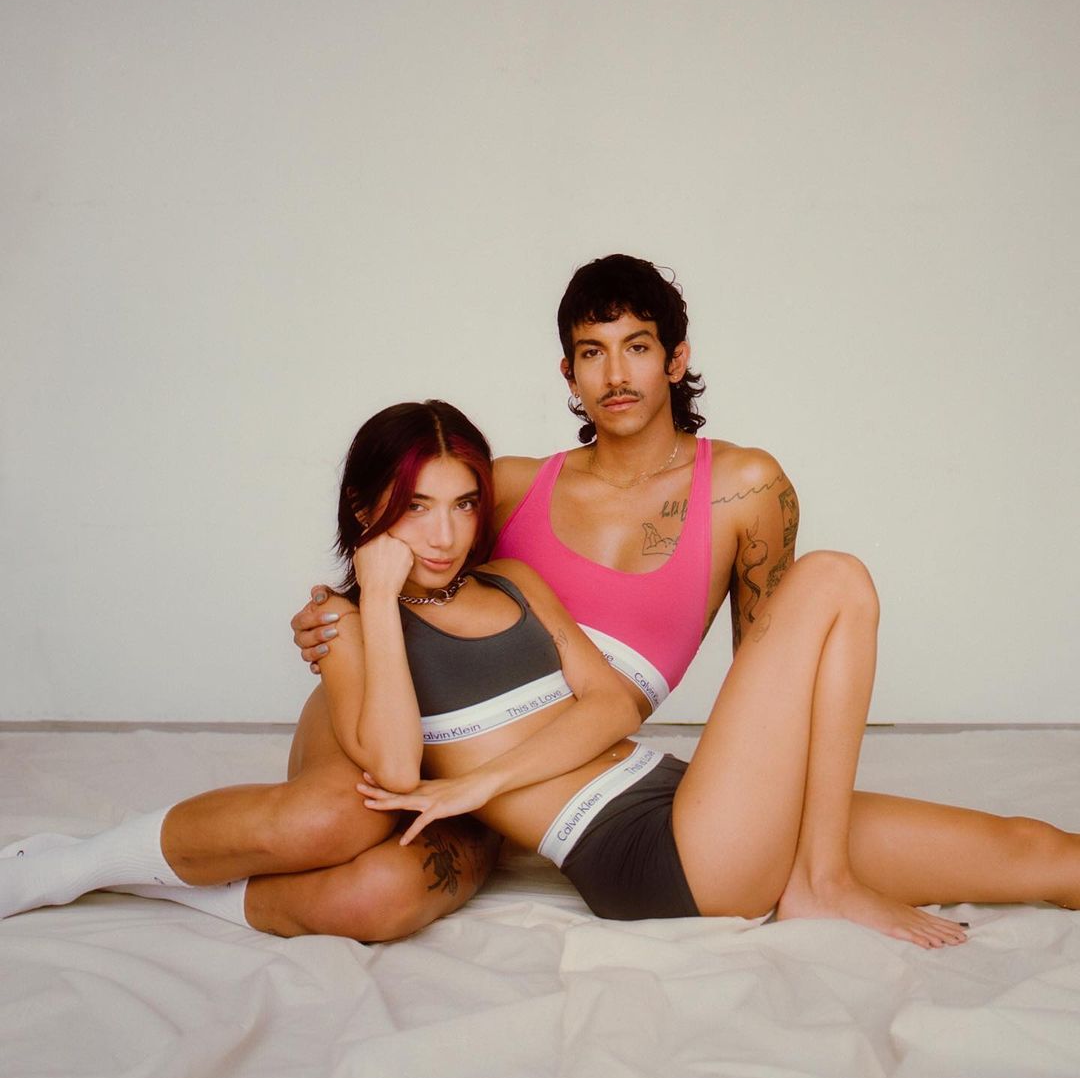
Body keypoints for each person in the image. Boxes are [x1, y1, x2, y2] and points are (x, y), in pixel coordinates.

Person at [4, 400, 1078, 948]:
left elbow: (608, 703)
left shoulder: (515, 580)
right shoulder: (353, 630)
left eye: (462, 503)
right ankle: (80, 867)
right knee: (834, 578)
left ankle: (820, 867)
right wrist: (372, 596)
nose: (444, 533)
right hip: (661, 861)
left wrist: (481, 782)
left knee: (1032, 851)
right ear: (369, 510)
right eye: (415, 509)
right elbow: (391, 767)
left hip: (679, 796)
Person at [289, 254, 800, 936]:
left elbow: (772, 677)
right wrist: (336, 615)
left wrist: (777, 805)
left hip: (599, 773)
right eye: (592, 353)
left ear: (676, 360)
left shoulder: (745, 487)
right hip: (461, 754)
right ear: (569, 372)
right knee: (341, 830)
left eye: (637, 348)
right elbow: (417, 581)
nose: (615, 376)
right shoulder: (507, 487)